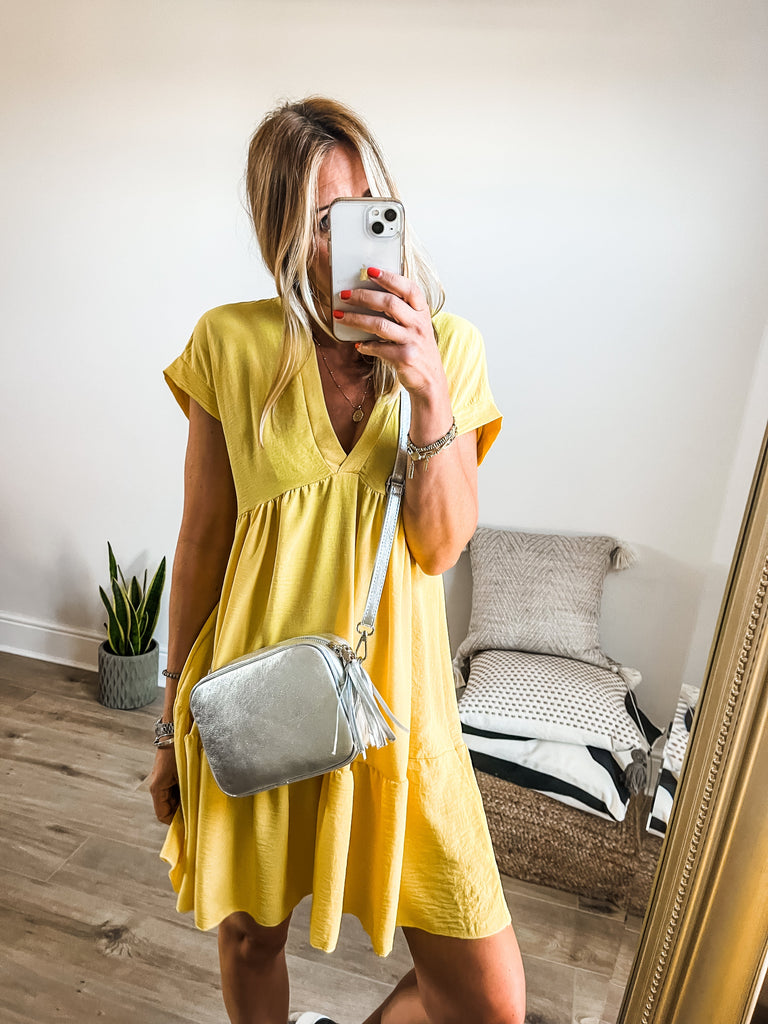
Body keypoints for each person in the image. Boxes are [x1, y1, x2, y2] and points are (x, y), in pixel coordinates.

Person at [149, 96, 525, 1024]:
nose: (356, 239)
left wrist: (428, 393)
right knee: (250, 939)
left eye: (368, 208)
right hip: (254, 694)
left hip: (400, 711)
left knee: (489, 1002)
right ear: (284, 238)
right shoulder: (229, 344)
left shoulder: (451, 349)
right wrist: (167, 727)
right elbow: (200, 543)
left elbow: (440, 545)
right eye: (325, 220)